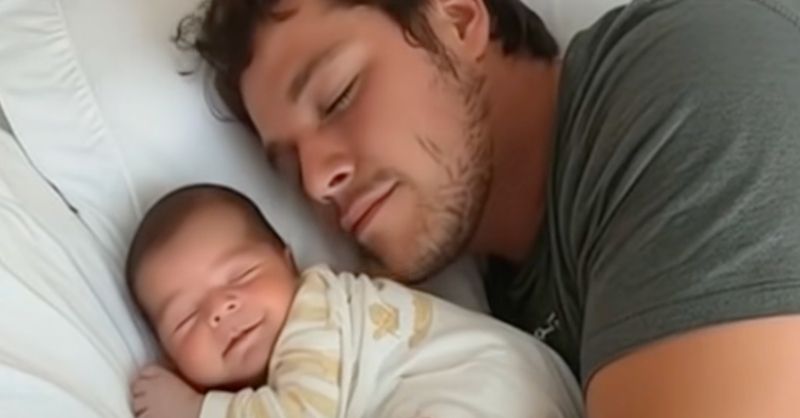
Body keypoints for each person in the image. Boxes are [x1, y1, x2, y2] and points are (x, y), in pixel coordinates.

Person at [177, 0, 800, 416]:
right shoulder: (488, 311)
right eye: (288, 167)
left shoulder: (689, 85)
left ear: (457, 18)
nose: (317, 181)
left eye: (338, 95)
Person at [126, 185, 582, 418]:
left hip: (478, 392)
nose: (221, 309)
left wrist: (196, 410)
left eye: (241, 275)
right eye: (186, 318)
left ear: (289, 263)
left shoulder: (314, 314)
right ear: (169, 355)